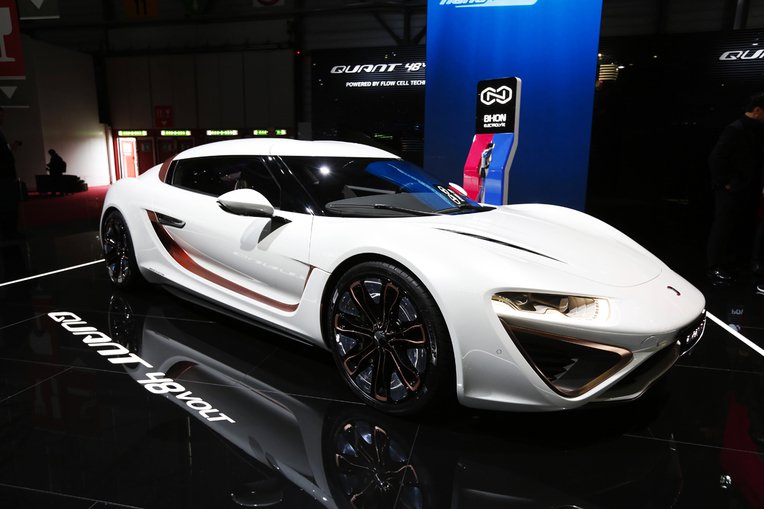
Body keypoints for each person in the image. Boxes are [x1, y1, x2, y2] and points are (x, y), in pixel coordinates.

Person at [706, 93, 764, 285]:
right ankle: (714, 267)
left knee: (736, 228)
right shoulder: (735, 128)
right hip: (730, 189)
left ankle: (728, 264)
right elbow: (716, 157)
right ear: (757, 110)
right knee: (723, 227)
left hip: (746, 188)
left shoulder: (754, 129)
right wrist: (725, 182)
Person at [0, 106, 22, 240]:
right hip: (4, 177)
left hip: (5, 176)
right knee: (9, 205)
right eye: (1, 115)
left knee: (8, 205)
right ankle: (9, 233)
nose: (3, 118)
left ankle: (9, 232)